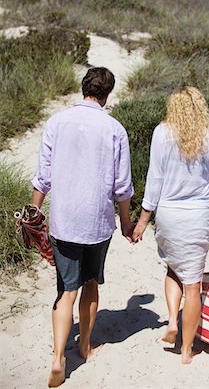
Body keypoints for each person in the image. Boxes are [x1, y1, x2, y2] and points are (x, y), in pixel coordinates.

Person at [31, 67, 135, 387]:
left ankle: (58, 358)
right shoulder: (114, 129)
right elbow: (122, 186)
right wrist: (127, 222)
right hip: (97, 223)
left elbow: (43, 176)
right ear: (107, 94)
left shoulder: (57, 122)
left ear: (83, 88)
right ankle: (85, 346)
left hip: (64, 220)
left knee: (65, 291)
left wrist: (34, 210)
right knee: (91, 284)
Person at [132, 86, 209, 365]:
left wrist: (142, 222)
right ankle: (187, 350)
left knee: (173, 268)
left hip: (168, 214)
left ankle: (172, 322)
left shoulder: (162, 133)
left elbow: (155, 180)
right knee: (193, 284)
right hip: (198, 216)